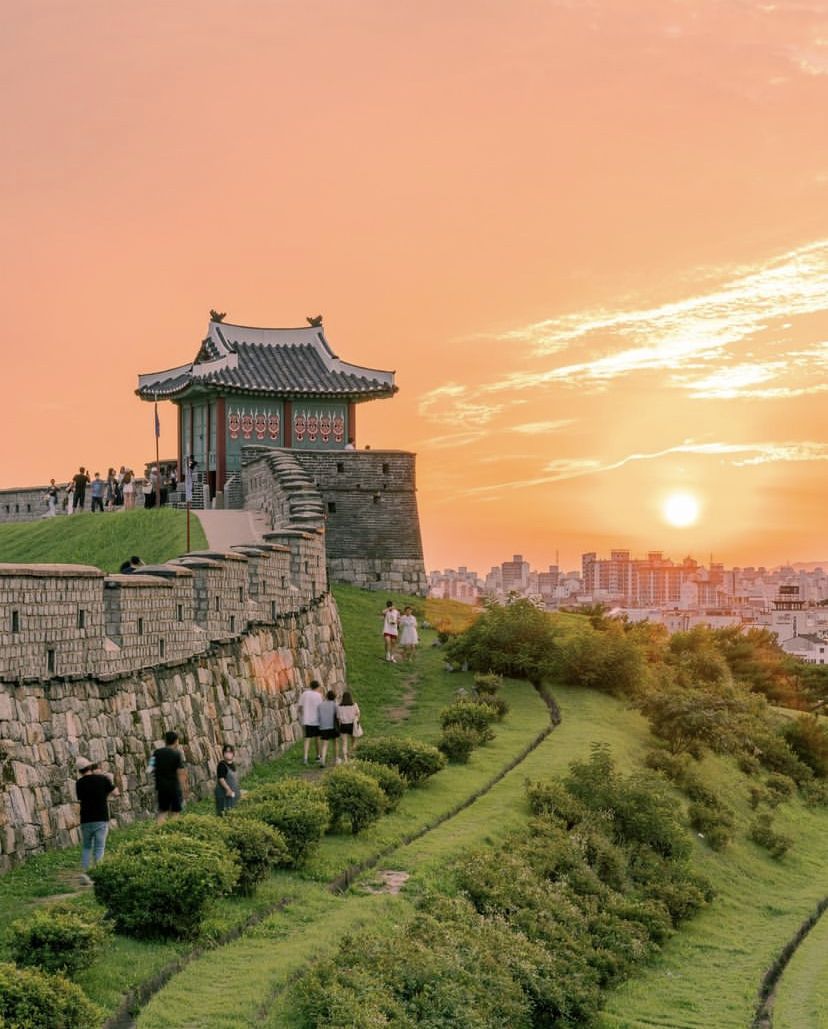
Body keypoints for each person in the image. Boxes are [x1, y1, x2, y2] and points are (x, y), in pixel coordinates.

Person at [75, 758, 118, 885]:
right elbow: (116, 793)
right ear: (90, 767)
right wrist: (108, 781)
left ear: (79, 771)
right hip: (101, 818)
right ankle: (98, 874)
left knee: (86, 847)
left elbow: (81, 798)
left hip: (86, 819)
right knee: (99, 848)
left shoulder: (79, 783)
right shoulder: (102, 779)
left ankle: (85, 873)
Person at [152, 730, 188, 822]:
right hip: (174, 787)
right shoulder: (176, 754)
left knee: (162, 812)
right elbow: (181, 773)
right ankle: (173, 830)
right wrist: (184, 788)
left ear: (165, 741)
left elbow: (149, 768)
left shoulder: (156, 753)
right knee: (175, 813)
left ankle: (159, 829)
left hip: (161, 788)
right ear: (176, 741)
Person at [300, 680, 324, 764]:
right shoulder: (319, 695)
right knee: (317, 739)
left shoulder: (304, 694)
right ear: (317, 687)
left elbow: (300, 707)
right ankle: (318, 756)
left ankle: (305, 758)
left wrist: (302, 716)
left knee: (307, 739)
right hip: (316, 720)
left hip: (307, 720)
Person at [214, 744, 240, 815]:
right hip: (224, 793)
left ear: (233, 754)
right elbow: (221, 779)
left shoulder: (233, 765)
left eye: (230, 752)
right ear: (223, 753)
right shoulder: (222, 765)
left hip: (233, 793)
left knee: (233, 812)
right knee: (224, 812)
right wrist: (228, 789)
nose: (228, 754)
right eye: (226, 752)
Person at [336, 691, 361, 762]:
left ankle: (345, 759)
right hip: (352, 725)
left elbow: (338, 718)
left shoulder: (339, 706)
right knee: (354, 741)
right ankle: (350, 753)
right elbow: (358, 714)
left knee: (344, 743)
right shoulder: (354, 705)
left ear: (343, 698)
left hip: (343, 726)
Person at [317, 690, 340, 767]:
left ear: (326, 696)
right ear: (334, 697)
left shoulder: (320, 705)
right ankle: (336, 759)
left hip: (323, 727)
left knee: (324, 744)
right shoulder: (335, 705)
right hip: (333, 726)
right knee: (335, 742)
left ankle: (322, 760)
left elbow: (318, 716)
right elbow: (338, 716)